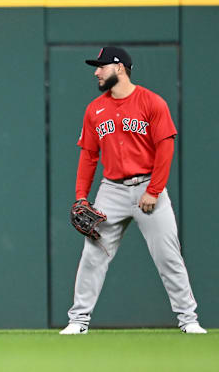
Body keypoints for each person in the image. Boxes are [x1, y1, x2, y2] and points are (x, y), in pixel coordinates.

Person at [60, 47, 206, 335]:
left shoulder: (152, 102)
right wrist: (81, 196)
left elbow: (166, 147)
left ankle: (188, 319)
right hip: (111, 190)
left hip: (148, 187)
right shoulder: (94, 109)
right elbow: (89, 156)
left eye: (102, 66)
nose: (96, 72)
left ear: (120, 68)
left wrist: (154, 190)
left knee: (168, 256)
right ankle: (78, 320)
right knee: (93, 255)